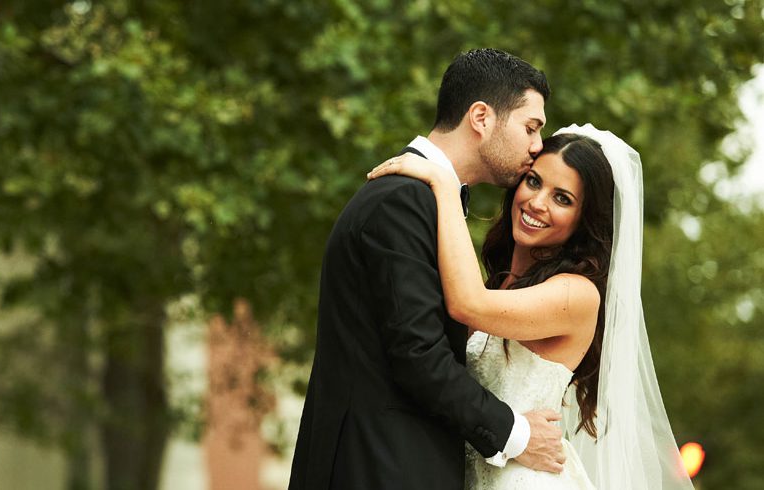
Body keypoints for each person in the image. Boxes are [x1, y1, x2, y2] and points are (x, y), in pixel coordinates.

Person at [288, 49, 565, 490]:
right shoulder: (403, 200)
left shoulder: (425, 198)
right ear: (481, 117)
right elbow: (417, 355)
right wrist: (519, 435)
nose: (537, 146)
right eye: (530, 127)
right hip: (376, 467)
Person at [367, 124, 694, 489]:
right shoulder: (501, 282)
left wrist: (444, 184)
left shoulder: (577, 295)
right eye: (535, 182)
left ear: (585, 221)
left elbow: (468, 306)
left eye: (563, 199)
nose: (537, 203)